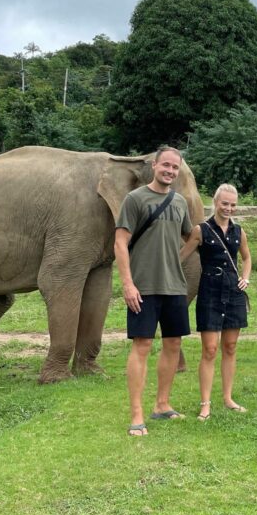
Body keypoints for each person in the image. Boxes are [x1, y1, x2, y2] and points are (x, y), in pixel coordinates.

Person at [114, 146, 193, 436]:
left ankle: (162, 404)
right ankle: (136, 414)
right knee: (142, 346)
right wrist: (128, 284)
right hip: (143, 286)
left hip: (174, 286)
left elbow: (191, 236)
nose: (170, 171)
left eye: (175, 167)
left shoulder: (180, 203)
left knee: (173, 344)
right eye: (166, 165)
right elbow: (120, 242)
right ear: (155, 165)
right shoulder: (135, 199)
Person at [181, 184, 251, 419]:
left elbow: (247, 257)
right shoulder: (201, 230)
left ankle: (228, 398)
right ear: (215, 201)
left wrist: (246, 278)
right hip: (210, 290)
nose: (229, 208)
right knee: (210, 349)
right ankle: (205, 403)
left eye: (233, 204)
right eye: (225, 203)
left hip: (234, 292)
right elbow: (182, 256)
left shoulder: (239, 231)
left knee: (230, 347)